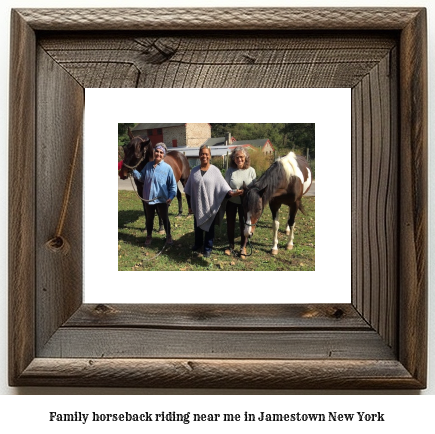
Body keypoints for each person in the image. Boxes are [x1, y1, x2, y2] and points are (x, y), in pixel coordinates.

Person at [184, 144, 242, 258]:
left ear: (210, 156)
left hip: (210, 206)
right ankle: (198, 244)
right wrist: (190, 205)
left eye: (206, 154)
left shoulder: (215, 171)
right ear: (199, 155)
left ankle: (207, 248)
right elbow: (188, 190)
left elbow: (223, 187)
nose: (204, 156)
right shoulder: (194, 171)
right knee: (197, 227)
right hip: (197, 205)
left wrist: (232, 193)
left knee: (209, 228)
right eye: (202, 154)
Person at [132, 142, 177, 246]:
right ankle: (149, 236)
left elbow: (173, 185)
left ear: (164, 154)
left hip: (162, 199)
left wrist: (171, 197)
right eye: (157, 151)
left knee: (165, 218)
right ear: (154, 152)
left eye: (161, 152)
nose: (158, 154)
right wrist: (133, 171)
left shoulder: (167, 168)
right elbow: (141, 177)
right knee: (149, 218)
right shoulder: (148, 165)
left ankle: (168, 235)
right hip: (149, 198)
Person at [224, 146, 257, 259]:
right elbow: (225, 187)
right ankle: (231, 246)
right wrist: (233, 192)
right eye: (237, 157)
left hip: (246, 204)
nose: (239, 159)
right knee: (230, 223)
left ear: (246, 157)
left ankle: (243, 247)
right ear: (233, 158)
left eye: (242, 157)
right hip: (232, 201)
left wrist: (245, 192)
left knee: (244, 224)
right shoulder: (230, 171)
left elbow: (254, 188)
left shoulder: (251, 171)